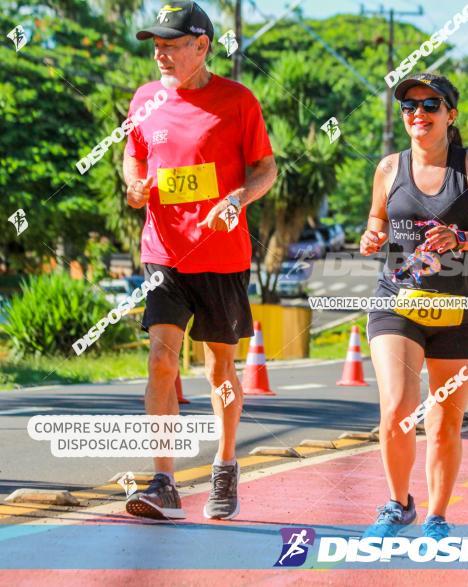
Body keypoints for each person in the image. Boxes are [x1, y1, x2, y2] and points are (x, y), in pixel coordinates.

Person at [122, 0, 277, 520]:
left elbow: (265, 169)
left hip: (222, 255)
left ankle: (225, 465)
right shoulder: (144, 100)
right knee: (162, 361)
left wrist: (236, 199)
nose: (161, 54)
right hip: (164, 252)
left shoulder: (238, 100)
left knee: (219, 370)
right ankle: (163, 480)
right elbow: (134, 150)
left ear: (202, 46)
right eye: (157, 46)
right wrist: (133, 182)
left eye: (172, 45)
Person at [359, 73, 468, 541]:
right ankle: (397, 502)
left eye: (430, 104)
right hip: (398, 304)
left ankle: (437, 516)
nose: (418, 114)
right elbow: (377, 217)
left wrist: (462, 237)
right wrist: (372, 236)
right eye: (409, 106)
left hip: (459, 311)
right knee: (397, 407)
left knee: (444, 423)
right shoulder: (388, 168)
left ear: (451, 114)